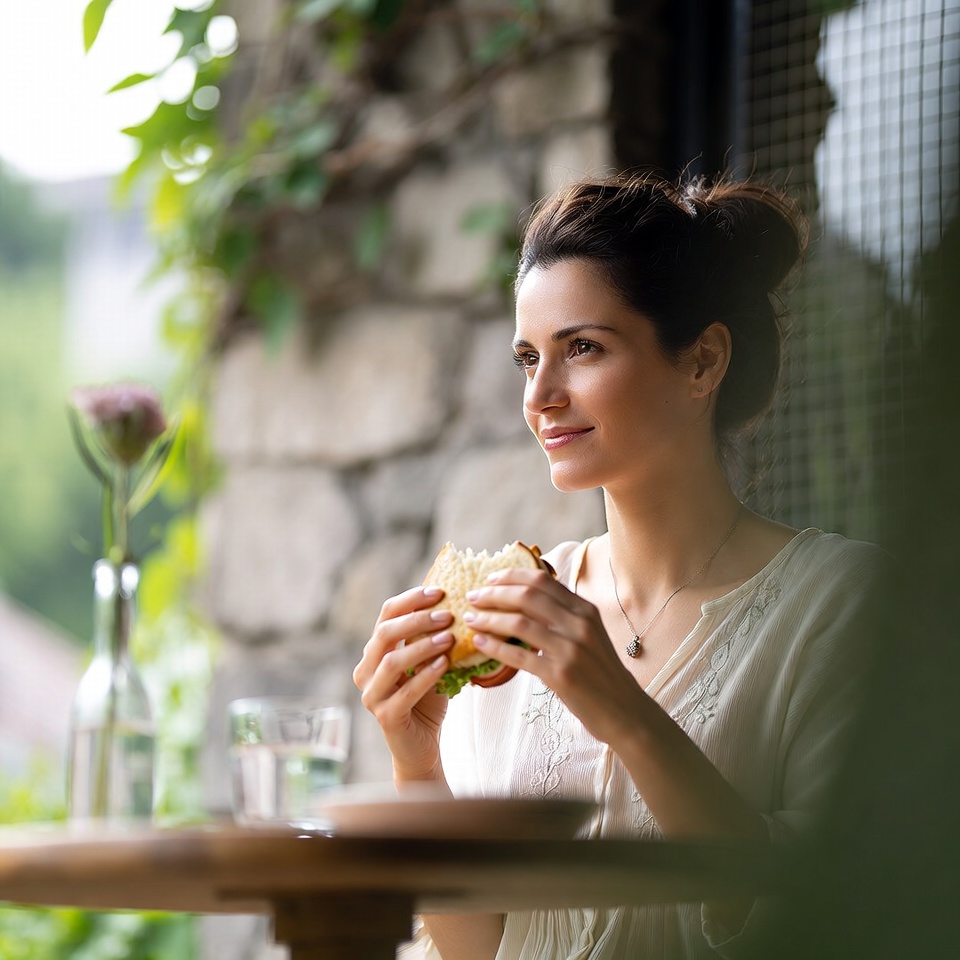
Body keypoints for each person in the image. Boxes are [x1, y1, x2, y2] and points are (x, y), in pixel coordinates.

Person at [352, 172, 887, 960]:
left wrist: (620, 708)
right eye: (528, 357)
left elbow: (827, 906)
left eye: (583, 349)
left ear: (702, 361)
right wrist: (417, 762)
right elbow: (475, 948)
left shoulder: (841, 604)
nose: (540, 395)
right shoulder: (510, 614)